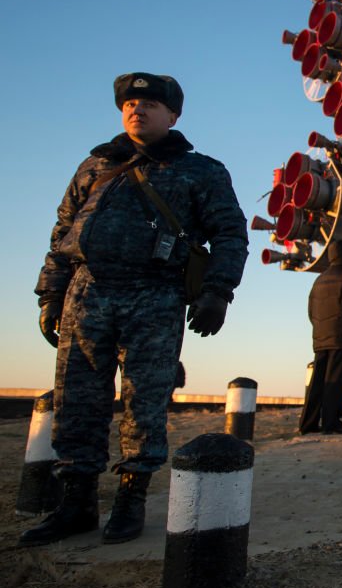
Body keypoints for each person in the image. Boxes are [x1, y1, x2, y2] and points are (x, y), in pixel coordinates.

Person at [23, 72, 247, 548]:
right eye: (128, 102)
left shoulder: (201, 171)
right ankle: (77, 501)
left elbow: (229, 233)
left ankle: (131, 498)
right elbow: (62, 234)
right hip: (87, 292)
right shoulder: (95, 166)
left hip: (154, 294)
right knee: (76, 400)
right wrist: (50, 295)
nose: (136, 109)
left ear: (173, 115)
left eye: (148, 103)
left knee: (144, 402)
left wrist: (218, 291)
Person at [298, 240, 342, 435]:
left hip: (321, 337)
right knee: (337, 382)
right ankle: (331, 422)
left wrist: (320, 328)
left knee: (318, 383)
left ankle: (308, 423)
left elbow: (311, 311)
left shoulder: (319, 279)